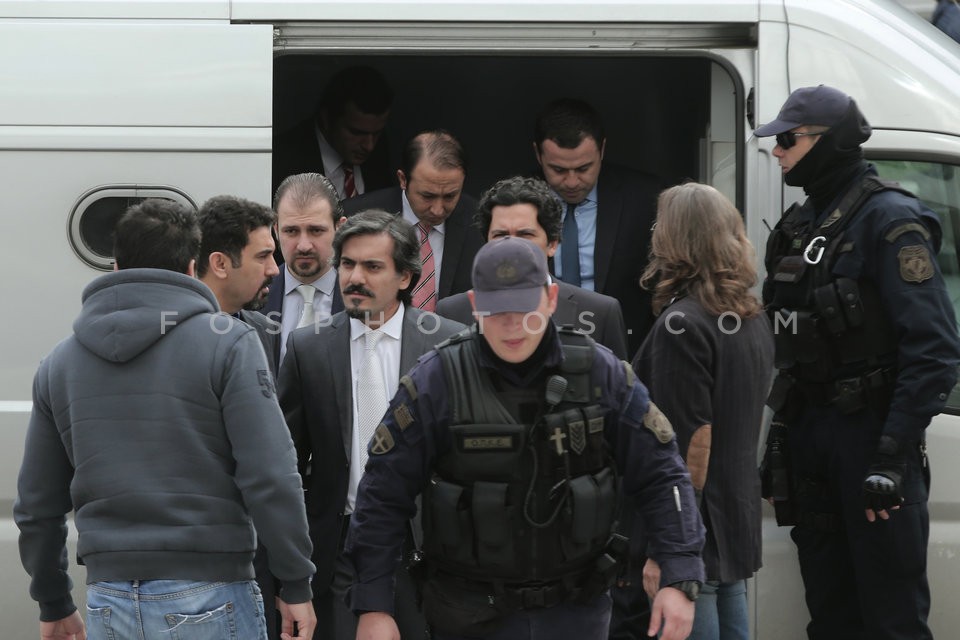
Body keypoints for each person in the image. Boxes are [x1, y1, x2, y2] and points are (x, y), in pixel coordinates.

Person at [344, 236, 706, 640]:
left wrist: (679, 571)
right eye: (497, 311)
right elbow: (381, 495)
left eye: (525, 308)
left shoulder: (600, 373)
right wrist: (374, 604)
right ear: (475, 304)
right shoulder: (437, 381)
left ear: (551, 298)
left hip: (576, 612)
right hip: (469, 614)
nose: (513, 325)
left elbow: (661, 473)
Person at [15, 199, 316, 640]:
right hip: (211, 591)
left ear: (116, 265)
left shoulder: (58, 363)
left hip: (108, 599)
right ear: (193, 267)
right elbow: (270, 475)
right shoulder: (229, 342)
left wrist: (54, 600)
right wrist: (295, 581)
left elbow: (36, 505)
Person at [755, 85, 960, 640]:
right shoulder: (801, 224)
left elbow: (935, 349)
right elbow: (790, 345)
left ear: (829, 143)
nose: (777, 151)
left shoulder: (890, 221)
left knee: (891, 621)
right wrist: (781, 438)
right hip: (813, 440)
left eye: (788, 139)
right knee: (830, 617)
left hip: (871, 437)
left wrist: (891, 456)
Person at [278, 208, 465, 640]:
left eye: (372, 266)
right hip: (341, 550)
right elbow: (285, 462)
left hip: (430, 551)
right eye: (347, 264)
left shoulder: (449, 342)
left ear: (405, 277)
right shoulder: (309, 348)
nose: (354, 277)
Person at [632, 183, 774, 640]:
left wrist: (667, 550)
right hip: (730, 519)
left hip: (695, 532)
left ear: (675, 240)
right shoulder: (750, 316)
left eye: (660, 226)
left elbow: (691, 445)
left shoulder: (684, 324)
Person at [436, 175, 628, 359]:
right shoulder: (452, 312)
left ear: (553, 243)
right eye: (501, 235)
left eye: (525, 235)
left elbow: (616, 389)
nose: (512, 245)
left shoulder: (600, 312)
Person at [533, 98, 662, 355]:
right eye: (558, 169)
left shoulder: (646, 199)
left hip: (624, 353)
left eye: (583, 168)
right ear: (538, 154)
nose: (571, 182)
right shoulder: (514, 203)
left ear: (602, 151)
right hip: (536, 350)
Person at [343, 129, 484, 309]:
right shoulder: (357, 216)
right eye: (427, 196)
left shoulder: (481, 223)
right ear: (403, 179)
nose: (438, 209)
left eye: (450, 196)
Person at [272, 65, 394, 198]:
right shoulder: (283, 159)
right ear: (326, 119)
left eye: (377, 133)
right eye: (356, 133)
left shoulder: (379, 151)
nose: (369, 146)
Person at [265, 172, 348, 364]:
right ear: (276, 230)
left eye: (316, 230)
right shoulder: (251, 296)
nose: (303, 245)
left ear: (340, 228)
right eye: (291, 231)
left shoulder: (365, 300)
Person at [198, 194, 282, 374]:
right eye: (262, 257)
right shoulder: (172, 329)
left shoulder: (265, 330)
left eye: (272, 255)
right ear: (220, 264)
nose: (274, 269)